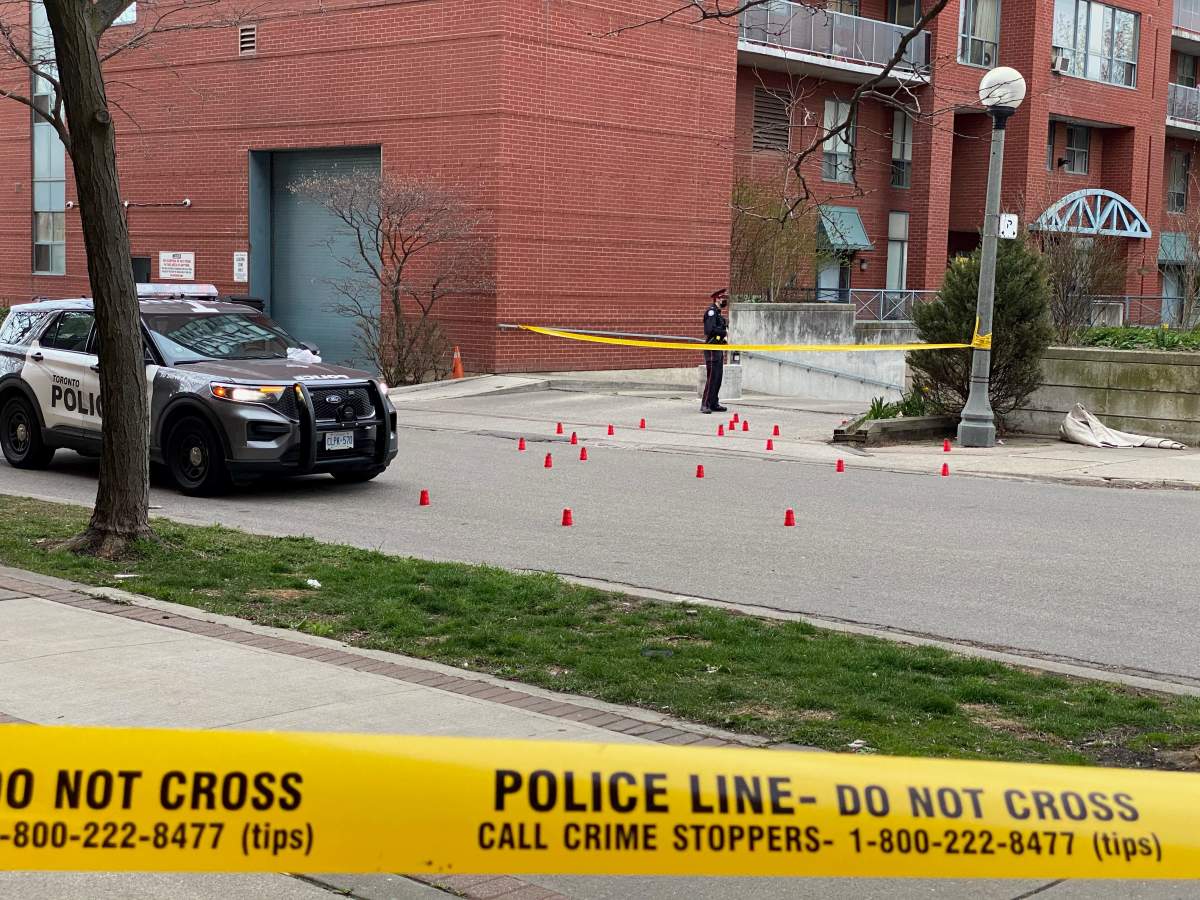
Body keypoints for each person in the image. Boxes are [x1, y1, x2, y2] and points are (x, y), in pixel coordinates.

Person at [701, 288, 729, 414]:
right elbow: (709, 330)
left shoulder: (718, 313)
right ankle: (705, 404)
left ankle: (713, 403)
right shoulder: (711, 312)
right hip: (712, 348)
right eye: (723, 298)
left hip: (718, 348)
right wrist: (723, 332)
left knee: (718, 377)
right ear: (717, 299)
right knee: (711, 377)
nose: (725, 301)